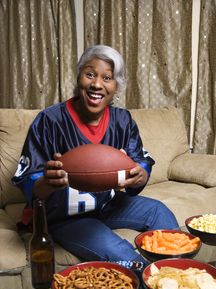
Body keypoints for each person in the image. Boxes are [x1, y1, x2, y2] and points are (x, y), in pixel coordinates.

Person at [12, 45, 178, 264]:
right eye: (90, 74)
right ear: (79, 76)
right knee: (122, 253)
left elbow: (140, 162)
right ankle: (155, 286)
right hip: (64, 217)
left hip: (109, 205)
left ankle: (179, 278)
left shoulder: (123, 120)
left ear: (116, 86)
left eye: (107, 78)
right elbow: (29, 183)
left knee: (159, 212)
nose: (97, 84)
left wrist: (140, 175)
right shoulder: (49, 121)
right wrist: (47, 182)